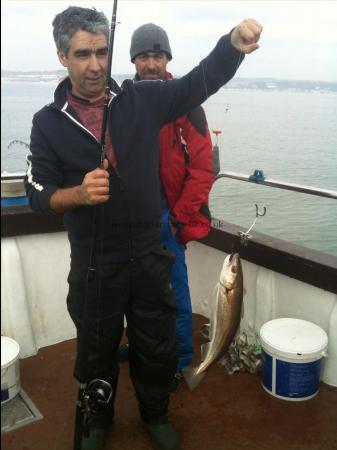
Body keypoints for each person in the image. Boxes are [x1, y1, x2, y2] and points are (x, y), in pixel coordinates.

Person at [24, 6, 262, 450]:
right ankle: (98, 420)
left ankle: (156, 414)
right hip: (96, 263)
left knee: (157, 345)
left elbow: (197, 82)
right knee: (95, 351)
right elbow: (37, 191)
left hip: (151, 254)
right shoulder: (47, 123)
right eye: (82, 54)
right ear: (62, 56)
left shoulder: (142, 99)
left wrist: (231, 47)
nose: (94, 65)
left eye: (101, 52)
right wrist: (76, 194)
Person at [118, 23, 215, 391]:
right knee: (132, 288)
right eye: (144, 56)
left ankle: (178, 361)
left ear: (167, 59)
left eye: (158, 56)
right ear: (134, 61)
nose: (151, 63)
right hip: (129, 215)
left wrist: (177, 219)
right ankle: (141, 344)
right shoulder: (121, 100)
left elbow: (204, 169)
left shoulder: (187, 104)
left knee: (174, 291)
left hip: (167, 216)